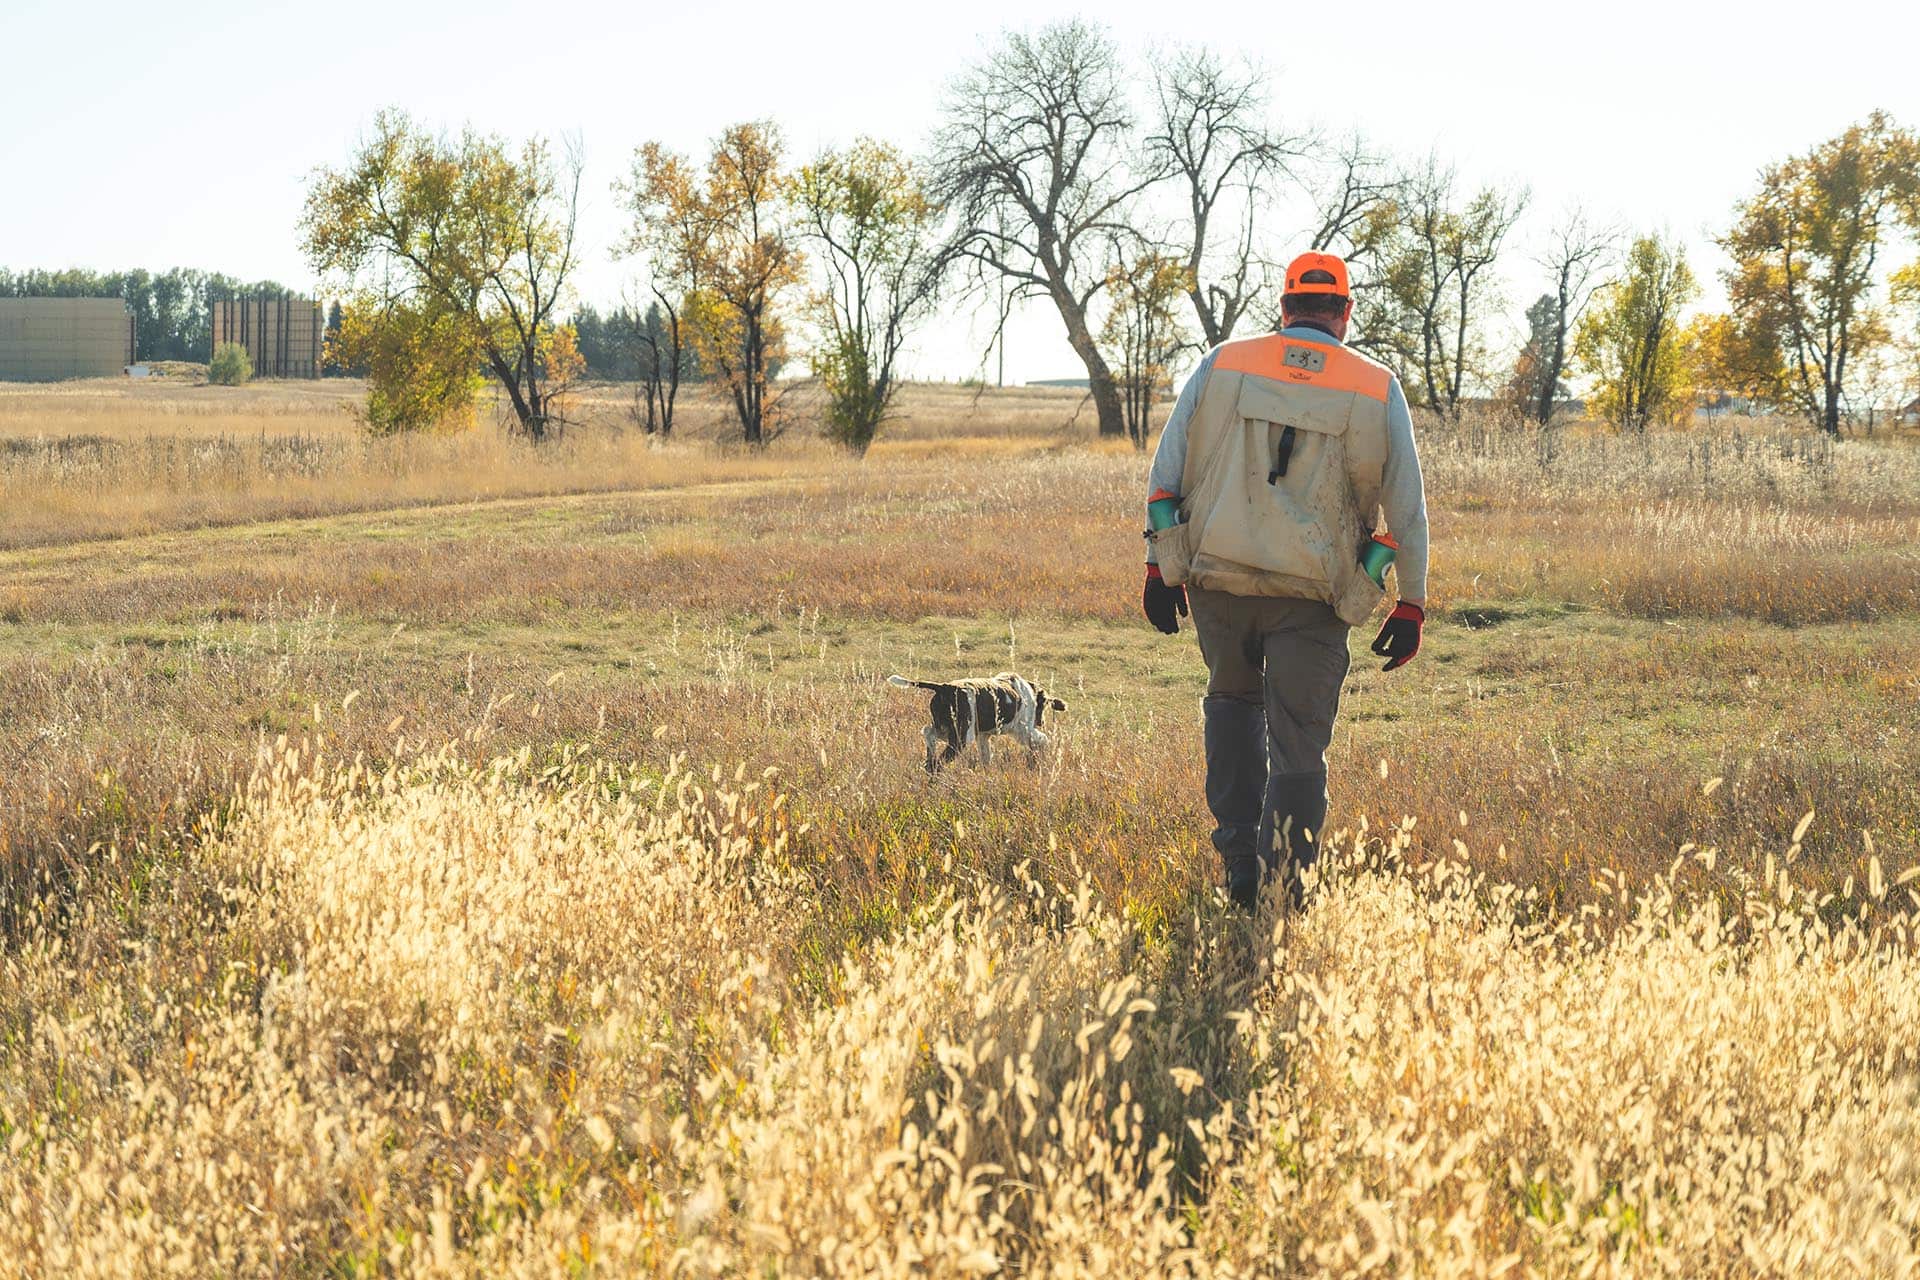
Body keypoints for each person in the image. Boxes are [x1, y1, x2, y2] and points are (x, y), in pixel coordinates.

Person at [1140, 251, 1428, 910]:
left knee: (1231, 710)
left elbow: (1168, 469)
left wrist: (1159, 566)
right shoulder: (1376, 385)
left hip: (1220, 583)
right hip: (1316, 596)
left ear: (1285, 305)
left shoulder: (1223, 362)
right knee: (1298, 742)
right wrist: (1409, 602)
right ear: (1345, 312)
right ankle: (1285, 891)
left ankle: (1241, 862)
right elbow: (1406, 506)